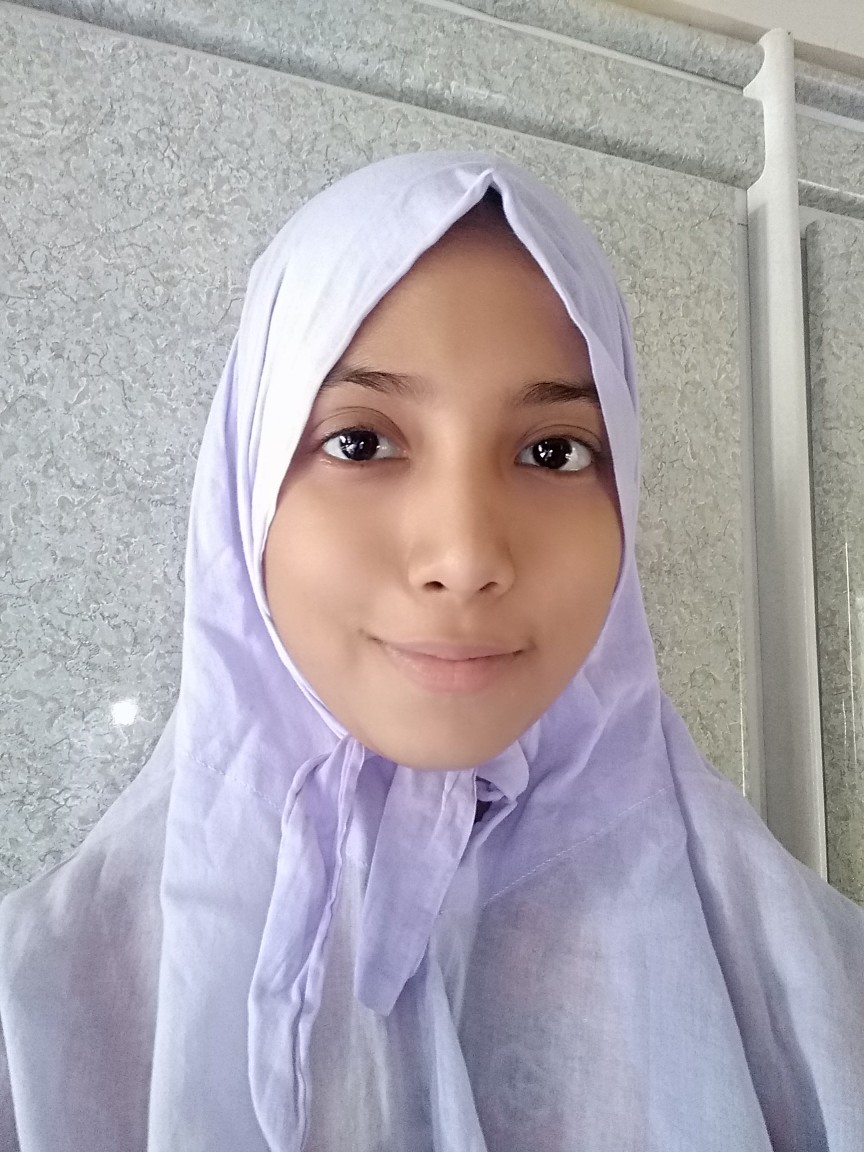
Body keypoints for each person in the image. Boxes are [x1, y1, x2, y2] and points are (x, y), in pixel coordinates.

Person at [0, 150, 862, 1152]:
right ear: (246, 489)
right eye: (361, 442)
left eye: (553, 451)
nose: (465, 556)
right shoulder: (35, 1018)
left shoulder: (817, 996)